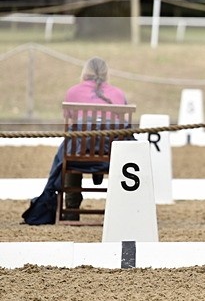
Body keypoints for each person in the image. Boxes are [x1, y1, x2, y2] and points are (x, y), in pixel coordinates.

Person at [22, 57, 129, 225]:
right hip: (111, 157)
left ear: (85, 72)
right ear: (106, 74)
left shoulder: (73, 92)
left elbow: (71, 121)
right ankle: (119, 208)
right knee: (81, 146)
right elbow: (125, 126)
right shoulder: (118, 94)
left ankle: (72, 210)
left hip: (79, 157)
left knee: (71, 150)